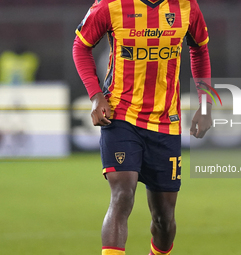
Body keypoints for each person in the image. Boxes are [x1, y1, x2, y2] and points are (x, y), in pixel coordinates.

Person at [72, 0, 212, 254]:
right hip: (121, 115)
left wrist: (205, 104)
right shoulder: (111, 5)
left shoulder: (186, 6)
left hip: (165, 121)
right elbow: (81, 45)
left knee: (164, 219)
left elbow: (200, 49)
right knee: (123, 194)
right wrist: (95, 95)